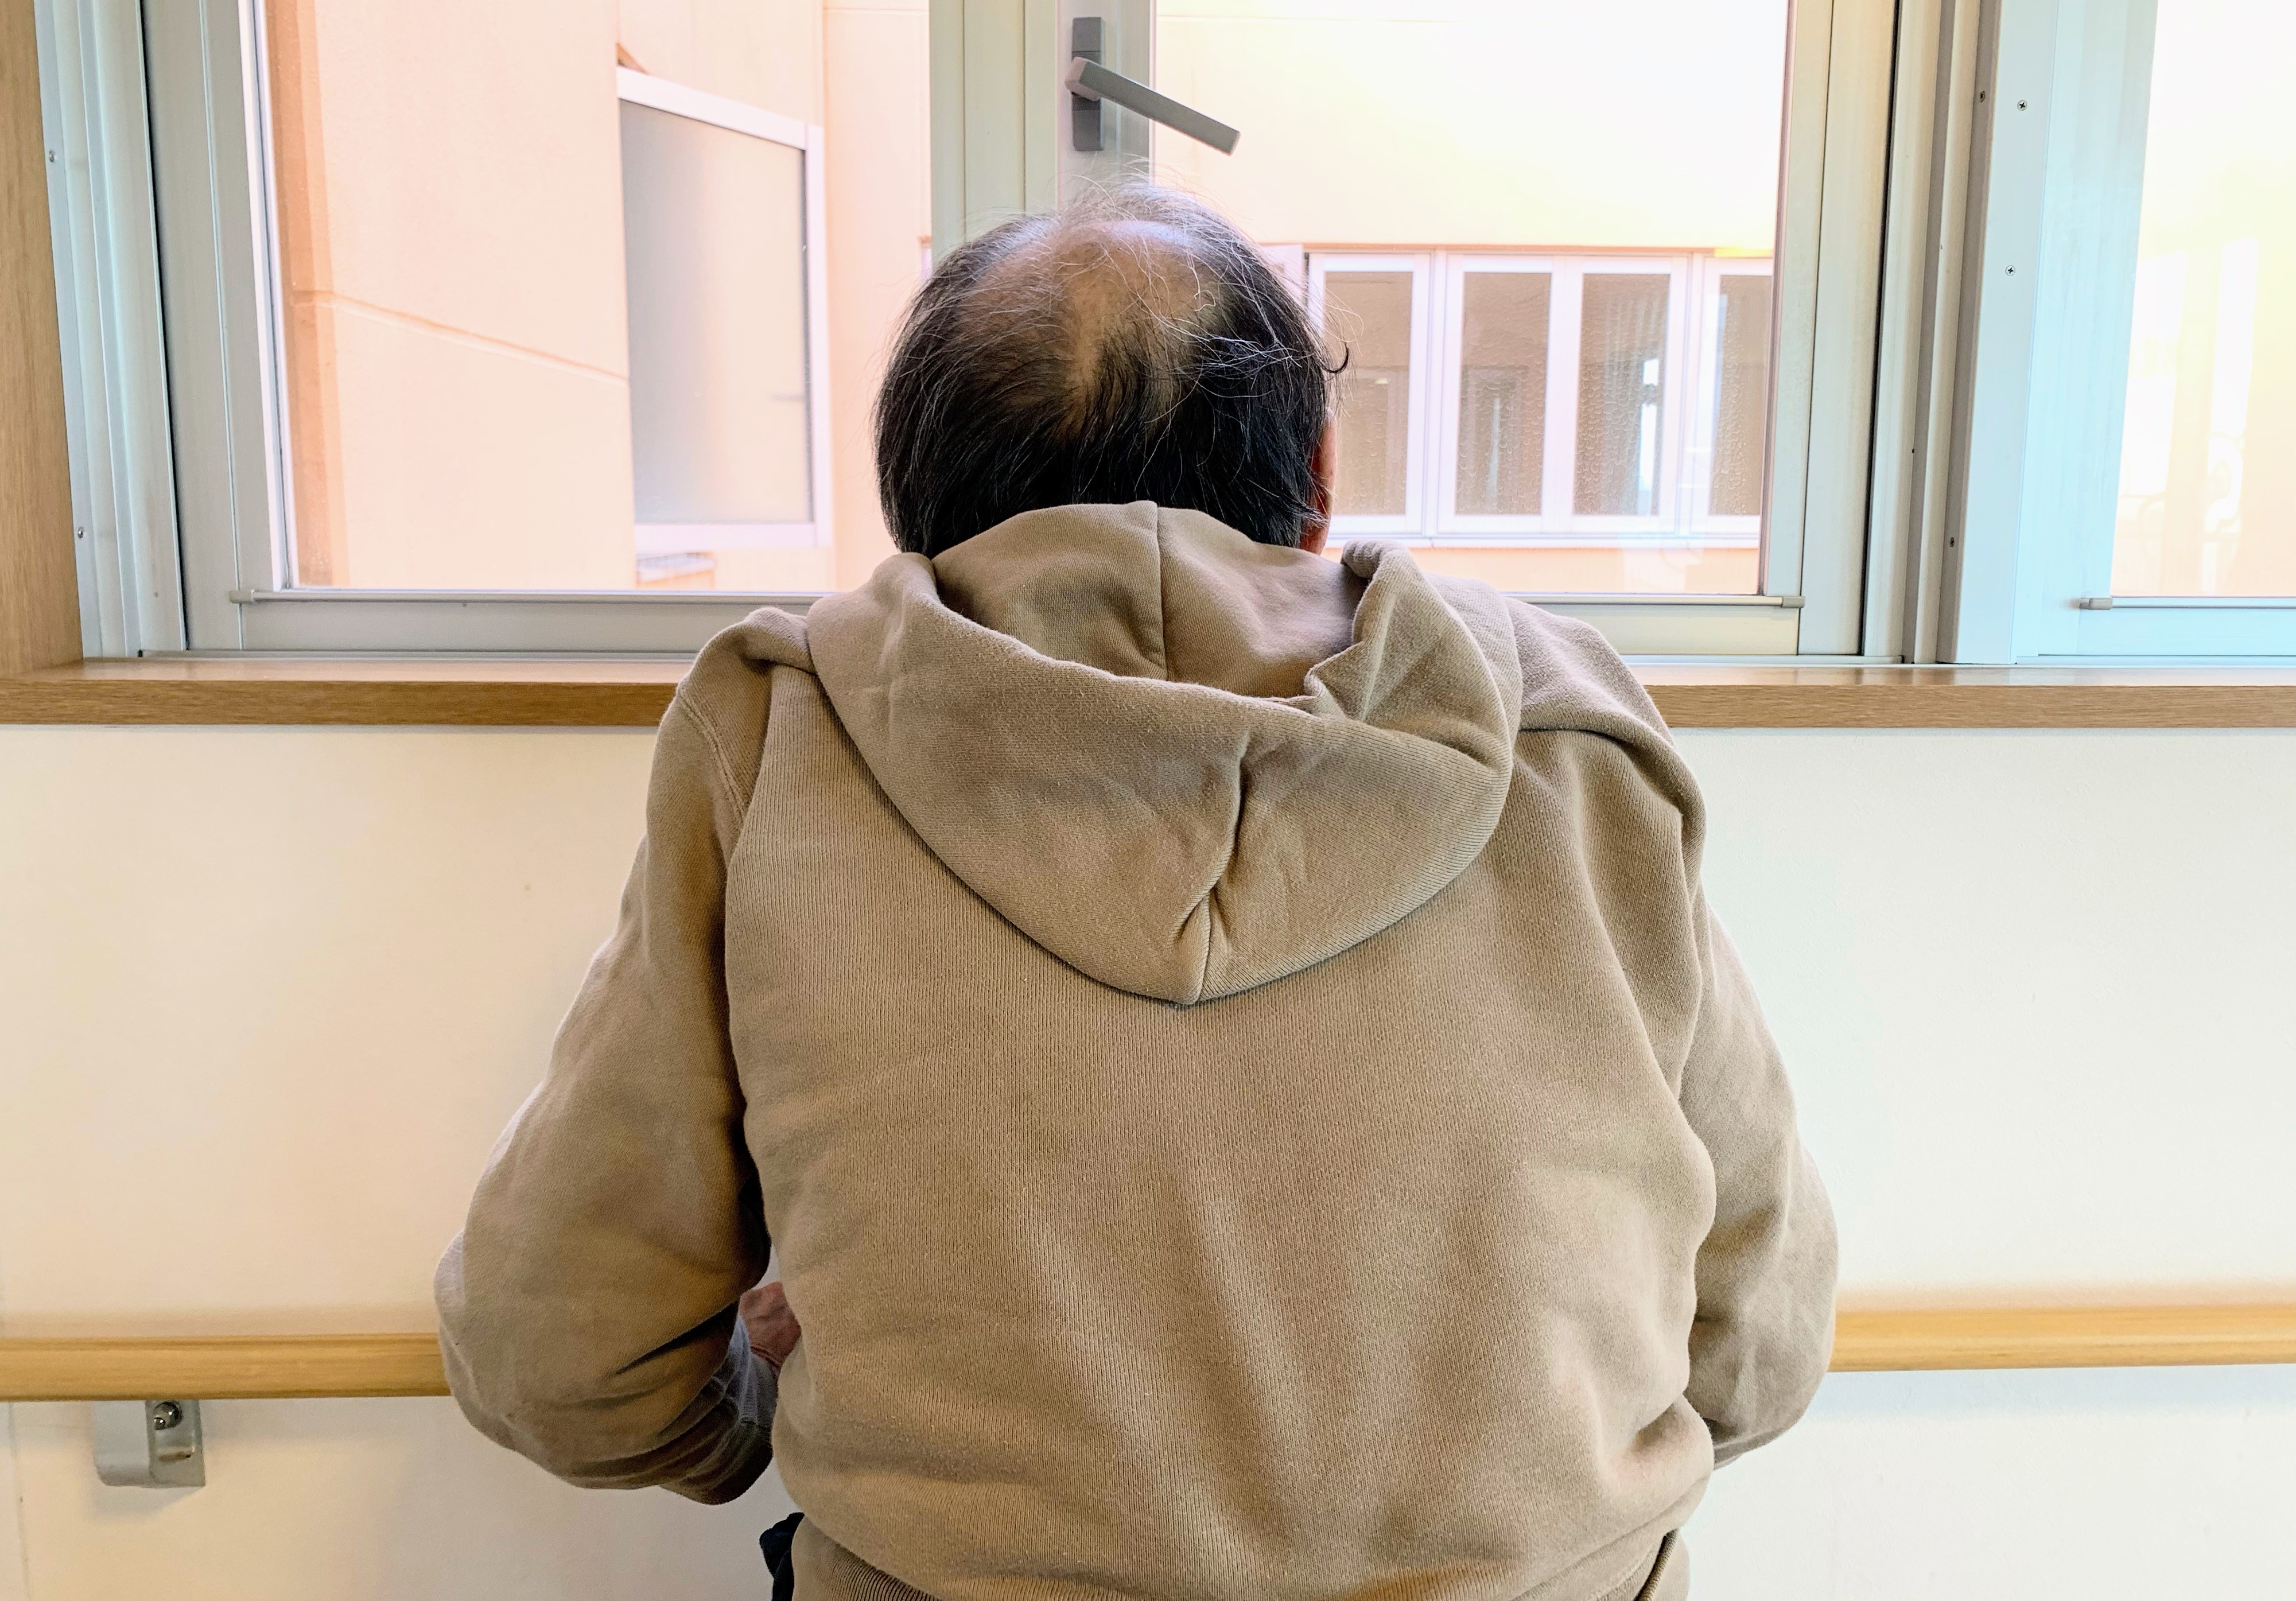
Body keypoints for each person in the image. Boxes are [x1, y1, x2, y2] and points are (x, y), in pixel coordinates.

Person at [435, 185, 1836, 1601]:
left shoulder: (783, 743)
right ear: (1320, 477)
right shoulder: (1570, 739)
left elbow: (560, 1361)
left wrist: (757, 1400)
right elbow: (1758, 1347)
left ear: (919, 512)